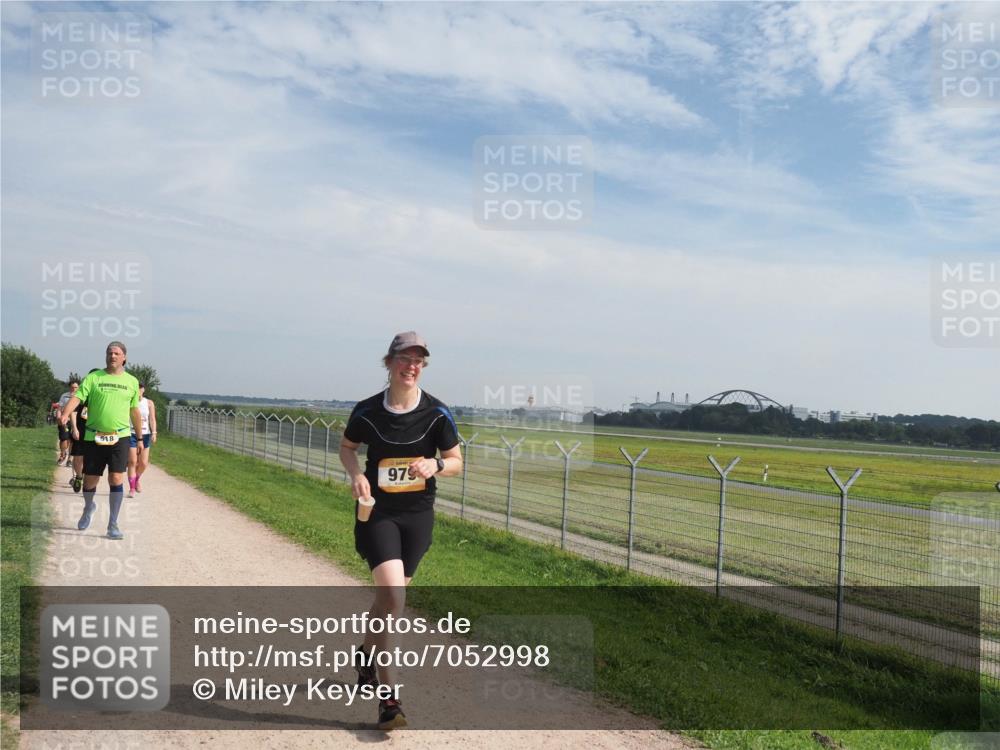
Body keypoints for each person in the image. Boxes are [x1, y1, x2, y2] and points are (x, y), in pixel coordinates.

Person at [339, 331, 462, 731]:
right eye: (404, 359)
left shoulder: (438, 413)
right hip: (378, 512)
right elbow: (347, 447)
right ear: (389, 362)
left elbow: (457, 459)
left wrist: (436, 466)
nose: (411, 366)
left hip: (417, 516)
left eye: (418, 361)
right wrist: (357, 475)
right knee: (394, 596)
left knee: (388, 602)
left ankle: (365, 657)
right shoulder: (368, 411)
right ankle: (389, 702)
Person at [59, 342, 142, 540]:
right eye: (109, 353)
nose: (112, 356)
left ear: (124, 358)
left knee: (116, 478)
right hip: (93, 436)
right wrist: (66, 413)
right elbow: (78, 398)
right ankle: (89, 507)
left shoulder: (131, 381)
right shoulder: (94, 378)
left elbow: (134, 410)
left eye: (116, 353)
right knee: (90, 480)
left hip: (120, 436)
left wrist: (139, 437)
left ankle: (113, 524)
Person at [68, 368, 102, 493]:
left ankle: (89, 484)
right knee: (78, 456)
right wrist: (75, 428)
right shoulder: (83, 392)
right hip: (81, 430)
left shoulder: (102, 393)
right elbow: (73, 412)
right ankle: (79, 477)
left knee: (92, 459)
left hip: (95, 431)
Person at [127, 383, 157, 497]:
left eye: (140, 388)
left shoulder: (149, 403)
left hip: (145, 434)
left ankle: (137, 479)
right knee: (132, 461)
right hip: (132, 433)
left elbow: (152, 419)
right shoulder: (129, 402)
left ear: (143, 389)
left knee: (143, 463)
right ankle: (132, 488)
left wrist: (154, 432)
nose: (138, 390)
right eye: (136, 388)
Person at [55, 381, 79, 466]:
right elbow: (59, 408)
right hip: (65, 420)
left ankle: (70, 459)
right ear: (69, 387)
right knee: (64, 438)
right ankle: (63, 454)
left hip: (76, 422)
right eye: (72, 387)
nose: (74, 389)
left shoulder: (81, 397)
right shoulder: (64, 396)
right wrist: (59, 417)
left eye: (76, 387)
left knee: (73, 441)